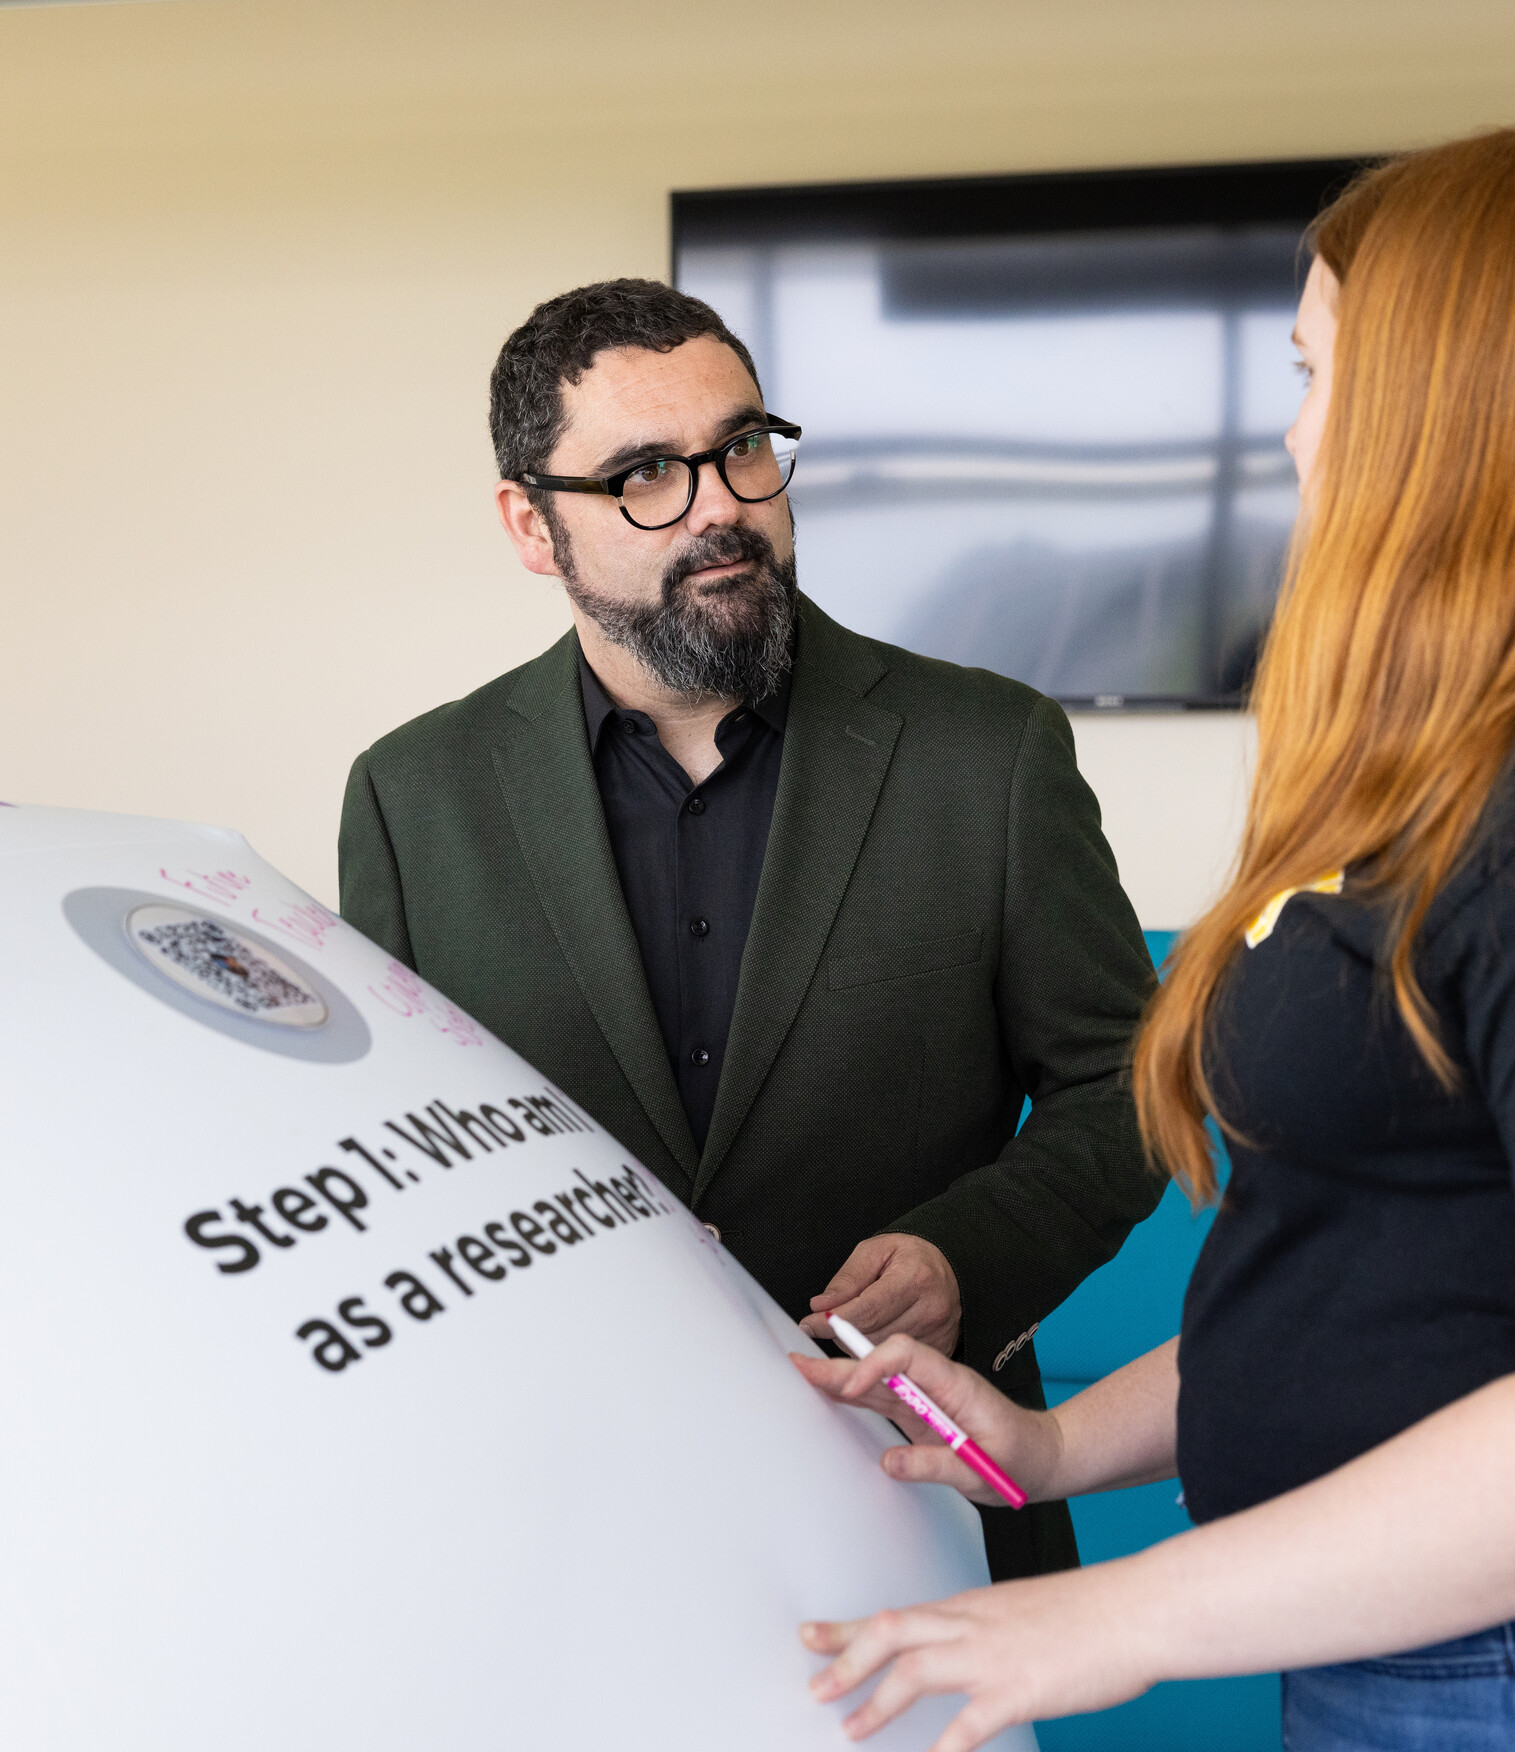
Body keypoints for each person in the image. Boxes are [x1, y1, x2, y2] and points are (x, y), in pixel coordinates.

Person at [792, 129, 1515, 1750]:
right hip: (1459, 1635)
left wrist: (1104, 1619)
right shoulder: (1500, 751)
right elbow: (1393, 1274)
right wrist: (1054, 1454)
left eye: (1315, 368)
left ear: (1442, 402)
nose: (1293, 430)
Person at [337, 278, 1164, 1581]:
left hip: (917, 1498)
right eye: (645, 475)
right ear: (532, 527)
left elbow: (1127, 1094)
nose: (721, 501)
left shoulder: (987, 752)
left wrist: (965, 1257)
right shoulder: (411, 798)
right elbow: (394, 1162)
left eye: (740, 448)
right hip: (553, 1528)